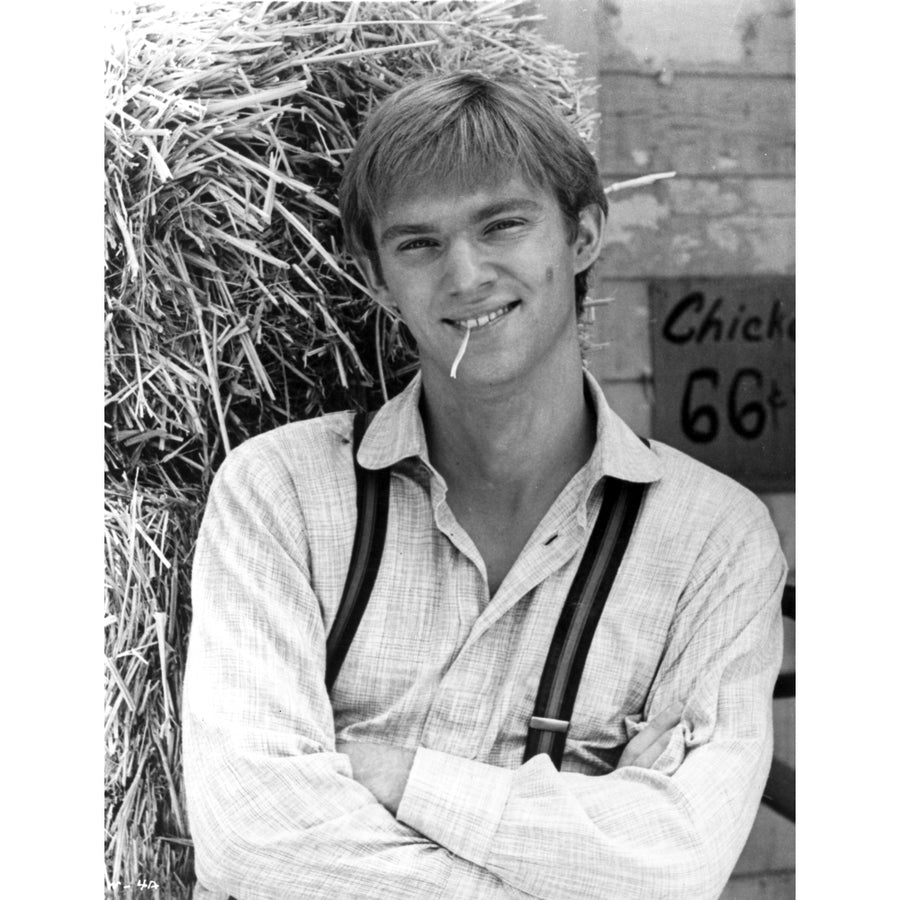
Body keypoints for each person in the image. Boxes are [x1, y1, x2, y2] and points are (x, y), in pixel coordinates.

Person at [183, 72, 786, 899]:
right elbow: (251, 841)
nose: (465, 274)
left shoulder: (714, 539)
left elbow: (676, 865)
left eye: (502, 224)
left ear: (582, 236)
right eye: (419, 243)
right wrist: (578, 848)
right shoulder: (281, 493)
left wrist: (393, 775)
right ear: (375, 276)